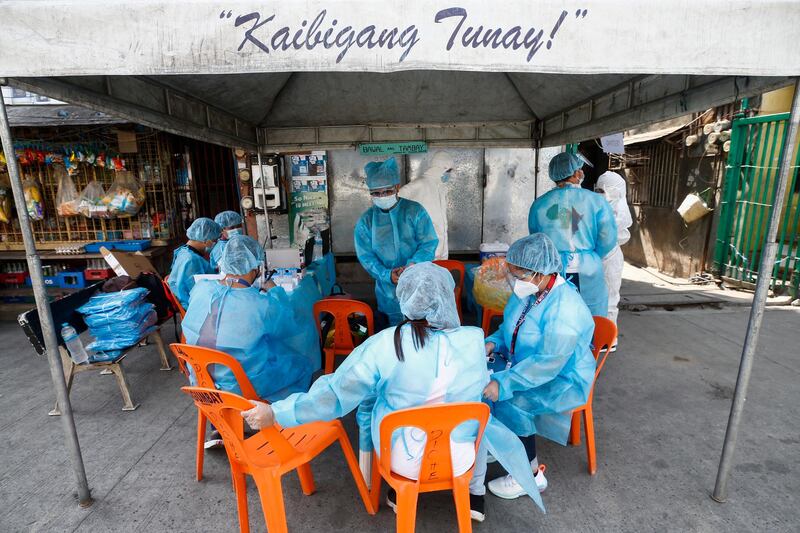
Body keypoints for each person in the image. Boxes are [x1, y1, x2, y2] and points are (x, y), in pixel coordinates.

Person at [240, 263, 544, 521]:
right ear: (448, 297)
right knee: (478, 419)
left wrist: (277, 412)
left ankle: (399, 492)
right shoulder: (473, 339)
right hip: (459, 457)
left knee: (376, 404)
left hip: (404, 459)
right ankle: (474, 496)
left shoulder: (385, 344)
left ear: (405, 298)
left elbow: (334, 394)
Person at [480, 234, 596, 499]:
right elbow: (511, 327)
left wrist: (505, 382)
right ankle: (500, 442)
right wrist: (493, 343)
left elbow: (548, 363)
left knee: (513, 400)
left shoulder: (564, 309)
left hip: (563, 378)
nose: (515, 281)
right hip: (527, 365)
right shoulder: (532, 291)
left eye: (518, 275)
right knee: (482, 378)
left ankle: (530, 475)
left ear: (540, 272)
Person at [183, 235, 317, 445]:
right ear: (256, 266)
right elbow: (291, 327)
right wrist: (275, 290)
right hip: (241, 387)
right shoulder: (260, 304)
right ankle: (279, 420)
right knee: (301, 365)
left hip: (201, 383)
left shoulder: (201, 290)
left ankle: (219, 425)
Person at [528, 152, 617, 317]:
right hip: (587, 268)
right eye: (580, 169)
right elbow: (608, 237)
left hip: (552, 269)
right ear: (576, 173)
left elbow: (536, 239)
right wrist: (590, 256)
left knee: (557, 313)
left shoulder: (539, 204)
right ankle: (590, 342)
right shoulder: (596, 201)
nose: (581, 172)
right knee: (591, 314)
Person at [354, 157, 439, 327]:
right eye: (376, 193)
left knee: (421, 332)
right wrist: (386, 275)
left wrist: (412, 266)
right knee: (393, 335)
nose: (381, 196)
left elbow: (428, 243)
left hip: (418, 283)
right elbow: (366, 257)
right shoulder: (366, 221)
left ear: (397, 187)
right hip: (387, 292)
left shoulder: (415, 211)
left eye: (386, 191)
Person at [399, 151, 454, 260]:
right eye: (448, 171)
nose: (450, 174)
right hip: (424, 246)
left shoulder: (440, 186)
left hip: (441, 246)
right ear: (441, 168)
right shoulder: (420, 183)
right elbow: (396, 199)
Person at [595, 171, 633, 332]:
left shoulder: (618, 213)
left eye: (603, 190)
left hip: (610, 258)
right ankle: (596, 333)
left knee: (610, 298)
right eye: (598, 190)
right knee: (595, 297)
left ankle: (608, 337)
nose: (600, 194)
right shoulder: (597, 207)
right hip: (595, 257)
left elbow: (617, 233)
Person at [168, 217, 221, 309]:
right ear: (206, 240)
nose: (216, 244)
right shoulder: (191, 259)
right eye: (215, 241)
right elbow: (198, 289)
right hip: (195, 305)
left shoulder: (184, 251)